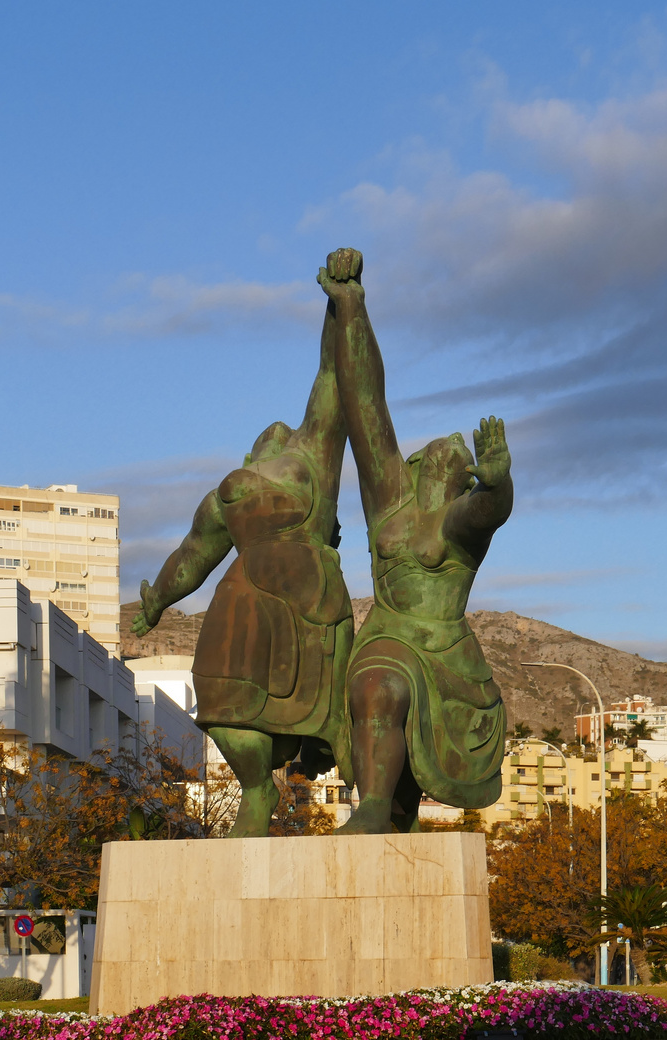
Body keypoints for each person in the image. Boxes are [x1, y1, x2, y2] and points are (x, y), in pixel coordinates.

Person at [131, 288, 351, 837]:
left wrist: (341, 304)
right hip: (244, 592)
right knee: (219, 698)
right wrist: (156, 600)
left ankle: (371, 793)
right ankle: (258, 789)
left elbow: (331, 376)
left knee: (337, 710)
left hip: (307, 591)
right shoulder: (226, 494)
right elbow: (193, 553)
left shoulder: (313, 453)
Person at [317, 247, 514, 834]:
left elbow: (489, 512)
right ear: (422, 464)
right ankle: (373, 805)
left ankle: (391, 812)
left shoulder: (457, 525)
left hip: (445, 651)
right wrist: (352, 306)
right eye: (440, 449)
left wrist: (500, 482)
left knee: (398, 740)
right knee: (380, 685)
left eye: (462, 457)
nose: (449, 447)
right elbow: (365, 404)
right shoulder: (392, 507)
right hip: (388, 638)